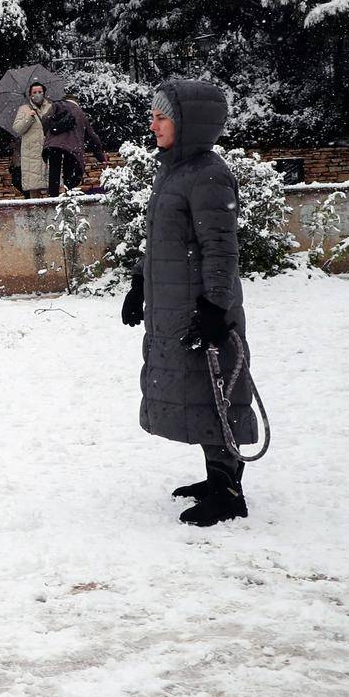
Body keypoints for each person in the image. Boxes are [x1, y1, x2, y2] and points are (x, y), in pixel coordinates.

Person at [120, 80, 258, 527]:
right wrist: (140, 284)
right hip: (175, 308)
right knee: (198, 391)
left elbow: (221, 248)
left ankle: (229, 491)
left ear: (188, 124)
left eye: (162, 117)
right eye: (154, 116)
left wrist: (216, 308)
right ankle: (216, 475)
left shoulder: (209, 174)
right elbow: (161, 242)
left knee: (216, 390)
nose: (153, 125)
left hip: (203, 310)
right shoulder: (173, 173)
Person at [42, 96, 106, 196]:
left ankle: (52, 196)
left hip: (53, 145)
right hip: (72, 147)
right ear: (76, 102)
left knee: (54, 170)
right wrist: (100, 156)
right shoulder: (80, 113)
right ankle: (69, 194)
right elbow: (92, 136)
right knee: (70, 172)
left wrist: (47, 132)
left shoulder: (57, 105)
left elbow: (45, 119)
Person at [10, 83, 55, 196]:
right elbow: (17, 129)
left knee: (53, 187)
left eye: (40, 92)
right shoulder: (24, 109)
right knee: (34, 190)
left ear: (44, 93)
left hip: (49, 150)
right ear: (30, 95)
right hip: (31, 155)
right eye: (34, 92)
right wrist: (28, 117)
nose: (37, 94)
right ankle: (36, 213)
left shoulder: (51, 107)